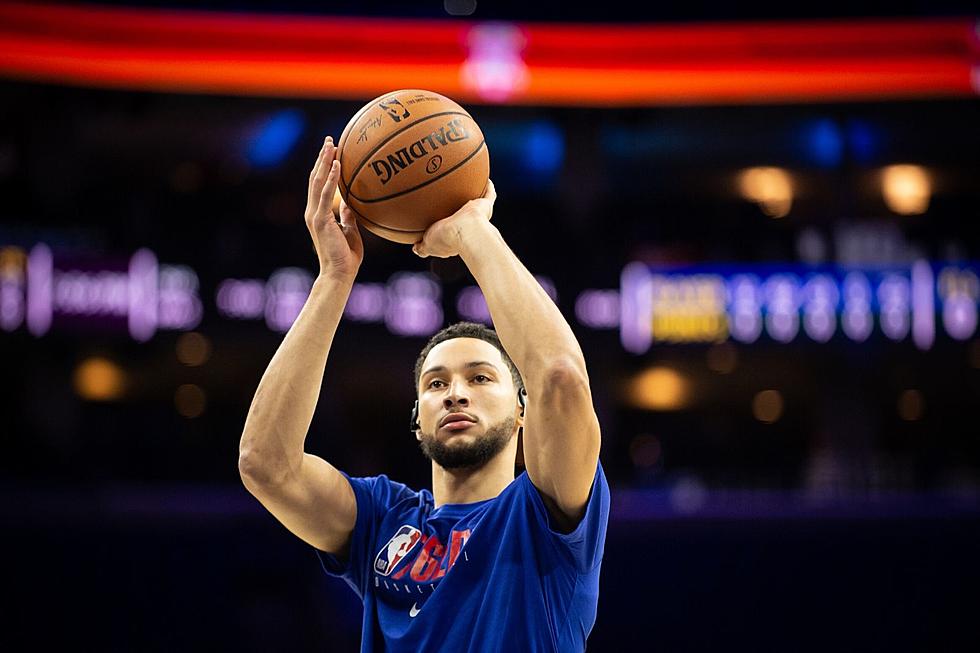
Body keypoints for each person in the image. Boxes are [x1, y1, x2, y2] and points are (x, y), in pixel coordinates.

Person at [238, 136, 609, 652]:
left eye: (481, 378)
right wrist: (334, 278)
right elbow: (265, 464)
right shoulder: (383, 521)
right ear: (417, 418)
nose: (456, 393)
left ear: (523, 411)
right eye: (436, 383)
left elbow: (562, 377)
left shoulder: (544, 515)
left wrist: (473, 231)